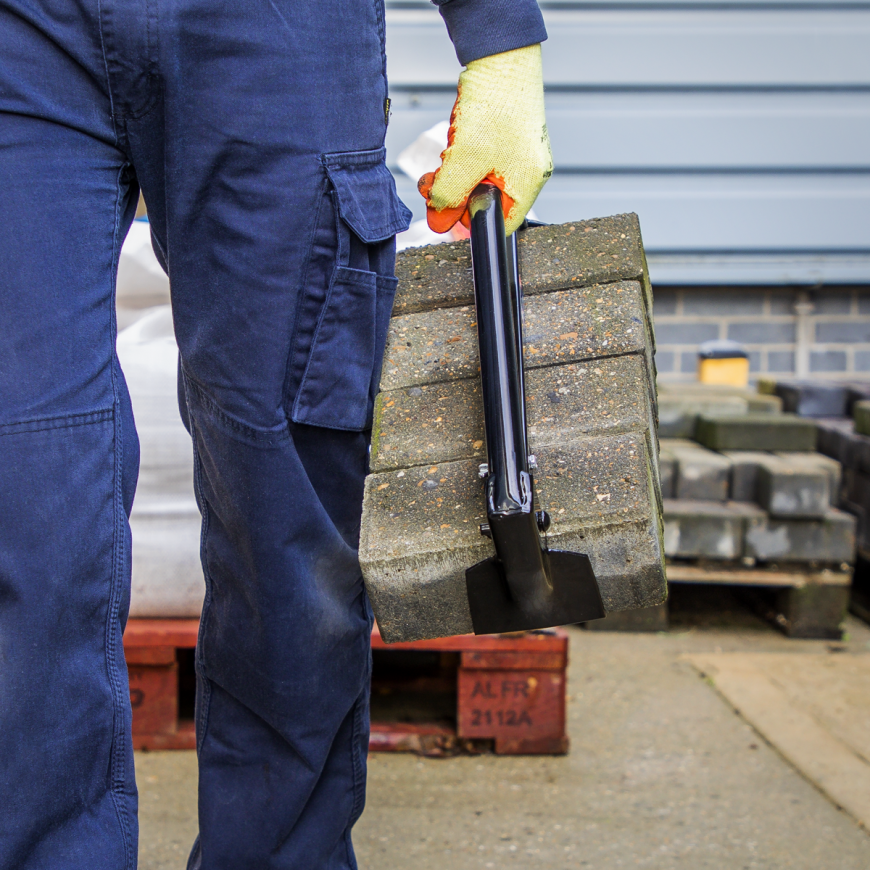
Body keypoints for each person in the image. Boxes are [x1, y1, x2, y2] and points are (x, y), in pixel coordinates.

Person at [0, 1, 552, 867]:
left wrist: (498, 38)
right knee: (21, 489)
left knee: (287, 503)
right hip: (26, 33)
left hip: (277, 29)